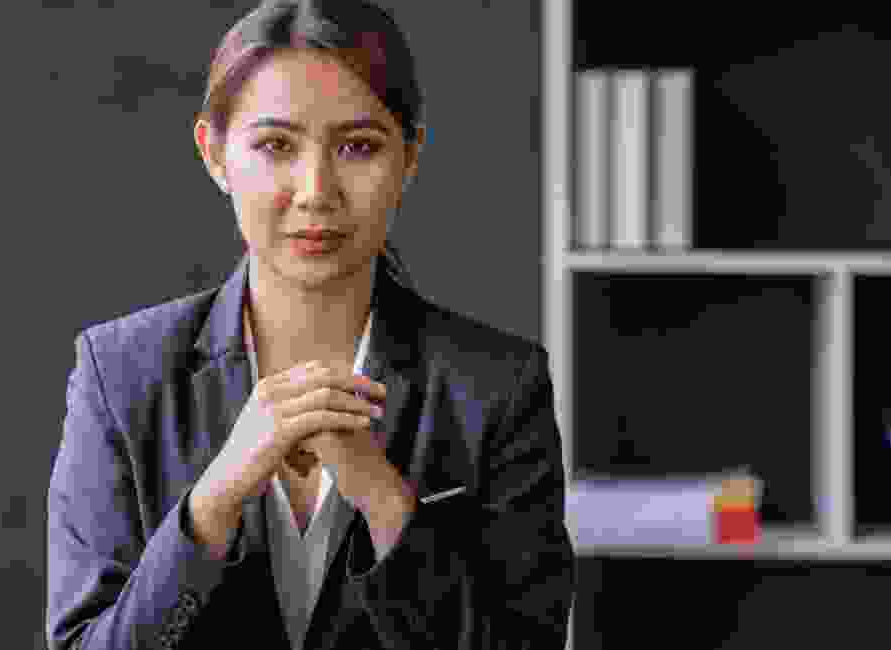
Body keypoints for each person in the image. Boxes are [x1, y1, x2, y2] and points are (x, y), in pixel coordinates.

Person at [46, 1, 575, 648]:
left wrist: (385, 501)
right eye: (276, 146)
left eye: (358, 147)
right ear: (214, 154)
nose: (317, 190)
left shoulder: (499, 388)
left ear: (409, 156)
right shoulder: (119, 375)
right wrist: (213, 503)